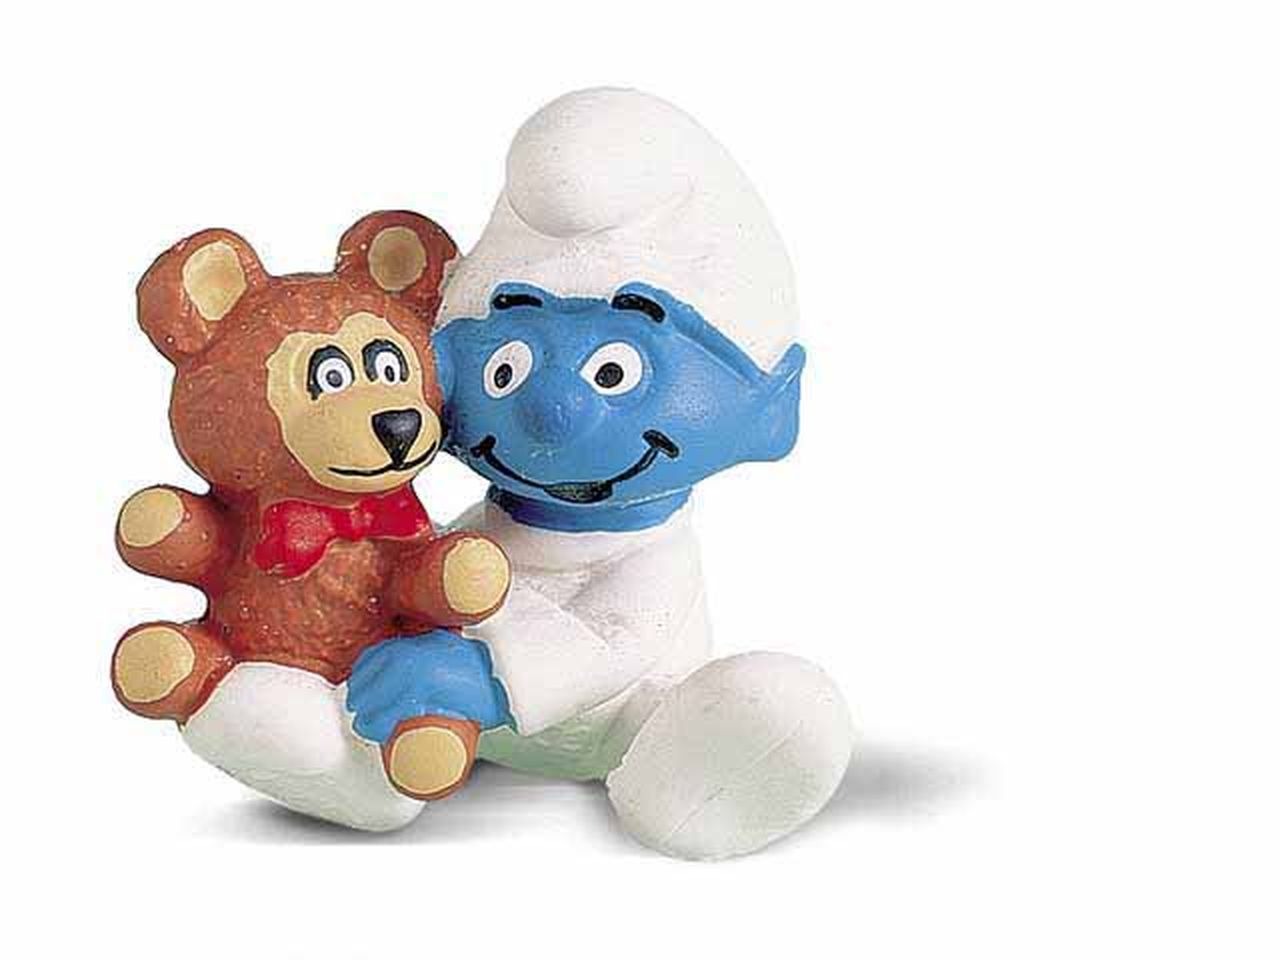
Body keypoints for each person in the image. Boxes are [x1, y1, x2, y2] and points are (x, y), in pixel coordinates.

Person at [349, 88, 854, 859]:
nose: (552, 409)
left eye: (614, 372)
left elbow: (614, 639)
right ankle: (349, 757)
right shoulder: (481, 524)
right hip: (451, 703)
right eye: (507, 365)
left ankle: (687, 769)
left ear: (770, 411)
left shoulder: (650, 561)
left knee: (729, 704)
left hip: (610, 717)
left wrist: (488, 675)